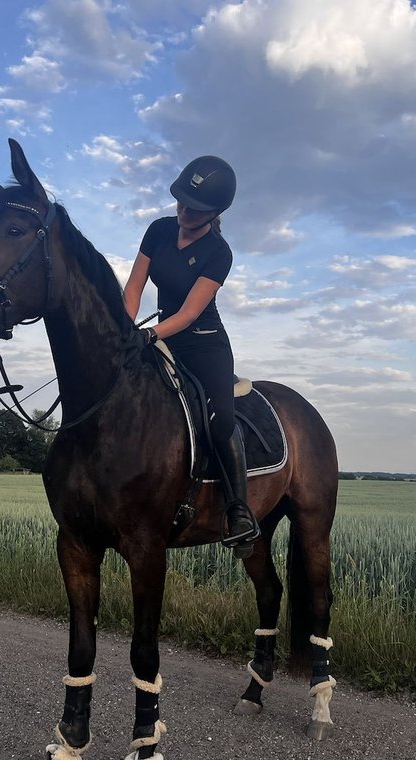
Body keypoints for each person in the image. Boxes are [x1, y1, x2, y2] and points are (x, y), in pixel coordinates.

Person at [123, 155, 260, 554]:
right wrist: (123, 330)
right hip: (156, 335)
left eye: (194, 208)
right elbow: (134, 286)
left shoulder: (220, 252)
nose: (183, 211)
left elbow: (188, 313)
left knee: (218, 423)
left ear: (214, 213)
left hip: (202, 342)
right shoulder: (159, 230)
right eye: (181, 202)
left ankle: (238, 510)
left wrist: (148, 335)